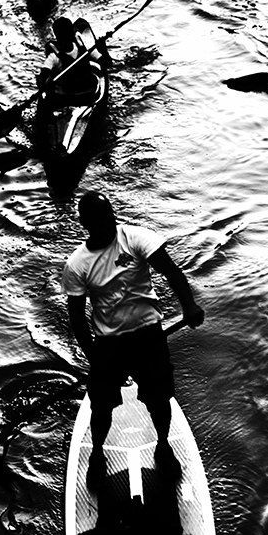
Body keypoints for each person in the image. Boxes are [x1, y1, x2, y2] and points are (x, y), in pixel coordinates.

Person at [62, 191, 204, 489]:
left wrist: (189, 306)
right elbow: (76, 317)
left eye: (109, 216)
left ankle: (163, 445)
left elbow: (171, 272)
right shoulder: (77, 265)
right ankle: (97, 453)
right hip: (109, 343)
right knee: (101, 406)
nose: (109, 224)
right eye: (100, 220)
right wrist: (92, 355)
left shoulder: (136, 238)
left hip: (148, 336)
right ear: (86, 224)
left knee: (159, 398)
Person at [38, 17, 109, 99]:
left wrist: (103, 50)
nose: (66, 37)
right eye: (63, 34)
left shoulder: (84, 49)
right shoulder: (54, 57)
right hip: (68, 95)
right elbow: (44, 72)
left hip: (87, 92)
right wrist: (45, 81)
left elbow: (107, 63)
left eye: (67, 32)